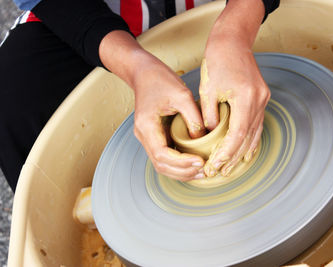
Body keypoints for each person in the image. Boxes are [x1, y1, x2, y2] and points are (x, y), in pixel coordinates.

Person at [0, 0, 279, 191]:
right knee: (14, 98)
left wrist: (235, 31)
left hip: (233, 6)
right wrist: (136, 68)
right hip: (101, 9)